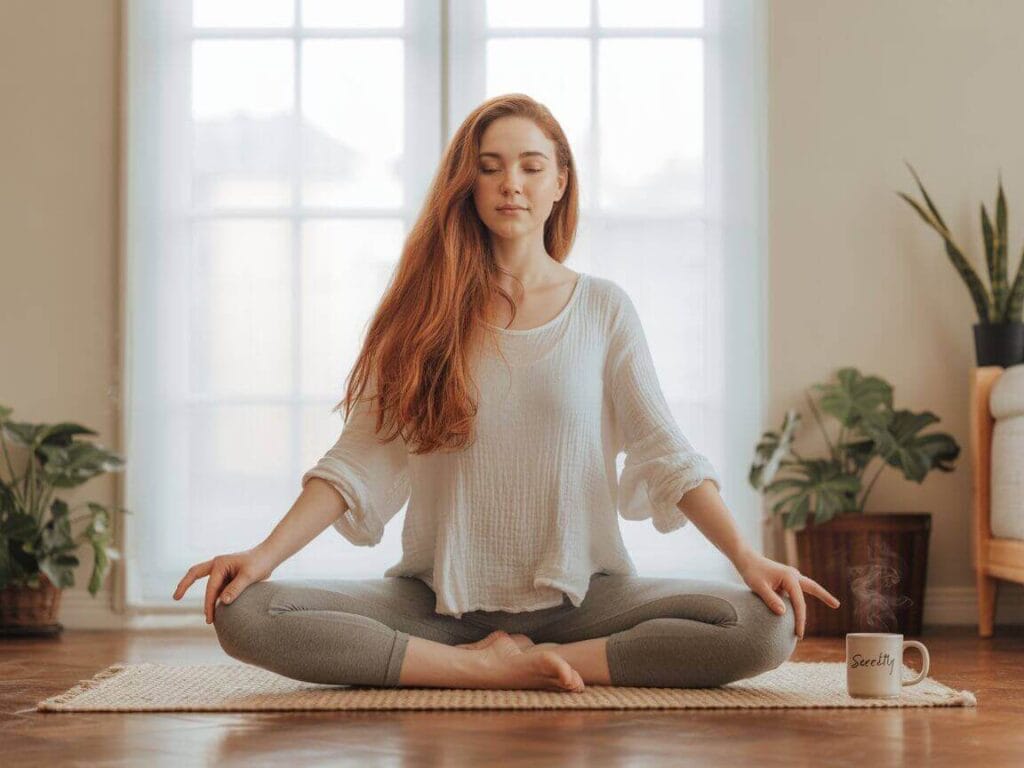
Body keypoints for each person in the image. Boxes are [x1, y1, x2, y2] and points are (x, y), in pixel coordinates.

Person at [173, 94, 841, 693]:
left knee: (760, 626)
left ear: (559, 182)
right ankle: (475, 666)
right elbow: (354, 462)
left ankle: (557, 660)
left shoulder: (603, 309)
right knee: (246, 614)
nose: (509, 184)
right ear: (467, 185)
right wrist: (258, 558)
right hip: (434, 606)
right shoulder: (420, 313)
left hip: (586, 602)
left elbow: (665, 453)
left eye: (529, 165)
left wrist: (748, 558)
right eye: (489, 166)